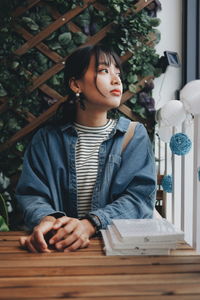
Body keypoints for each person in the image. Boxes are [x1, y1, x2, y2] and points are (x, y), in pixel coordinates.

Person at [16, 44, 157, 253]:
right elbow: (32, 194)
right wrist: (49, 220)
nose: (116, 80)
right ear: (75, 84)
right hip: (57, 249)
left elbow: (139, 198)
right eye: (104, 71)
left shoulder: (133, 136)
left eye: (117, 73)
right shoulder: (46, 140)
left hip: (116, 253)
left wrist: (90, 224)